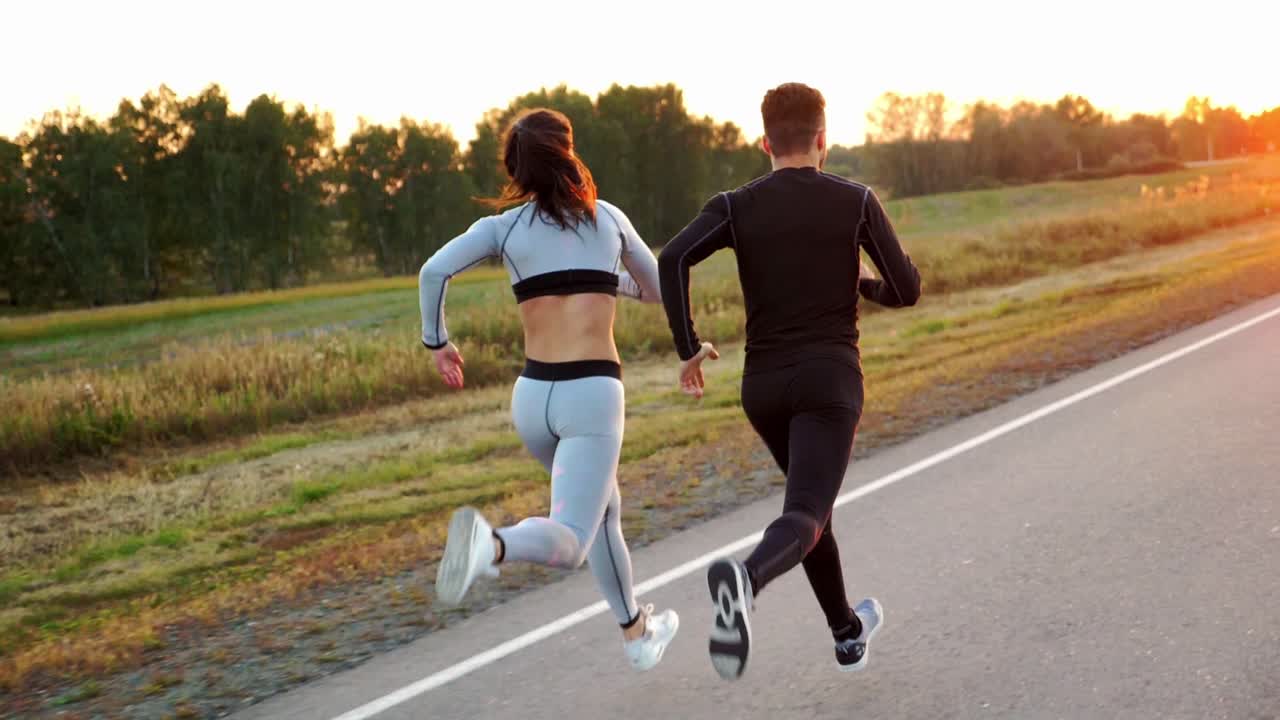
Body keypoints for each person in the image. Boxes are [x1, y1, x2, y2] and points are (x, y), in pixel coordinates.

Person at [657, 83, 921, 680]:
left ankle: (847, 634)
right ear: (823, 141)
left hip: (764, 388)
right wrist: (862, 286)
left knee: (807, 512)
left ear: (765, 142)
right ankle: (746, 581)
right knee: (805, 511)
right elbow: (906, 290)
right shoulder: (854, 200)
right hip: (830, 381)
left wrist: (687, 347)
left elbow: (672, 259)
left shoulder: (734, 204)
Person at [422, 108, 678, 671]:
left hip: (533, 399)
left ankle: (637, 632)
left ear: (517, 166)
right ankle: (491, 547)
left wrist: (437, 342)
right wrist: (614, 281)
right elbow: (661, 290)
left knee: (605, 509)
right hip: (590, 398)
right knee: (570, 541)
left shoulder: (503, 229)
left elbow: (432, 273)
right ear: (567, 153)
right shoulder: (607, 219)